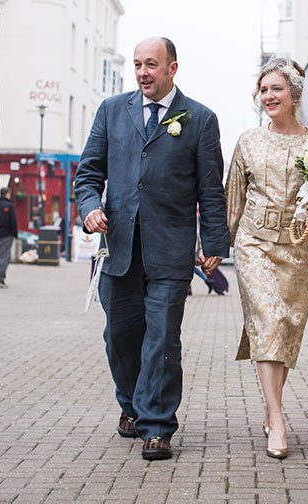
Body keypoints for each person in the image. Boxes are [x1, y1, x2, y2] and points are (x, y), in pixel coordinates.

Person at [75, 36, 229, 461]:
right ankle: (130, 406)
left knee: (161, 340)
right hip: (118, 248)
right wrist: (90, 209)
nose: (143, 72)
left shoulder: (200, 119)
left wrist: (214, 241)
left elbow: (210, 189)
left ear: (172, 69)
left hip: (170, 249)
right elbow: (88, 173)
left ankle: (157, 427)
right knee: (120, 337)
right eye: (139, 64)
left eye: (152, 65)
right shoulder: (111, 110)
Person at [225, 57, 308, 459]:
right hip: (254, 243)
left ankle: (272, 410)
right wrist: (218, 246)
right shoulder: (248, 141)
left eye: (276, 89)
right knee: (268, 319)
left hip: (297, 248)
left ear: (294, 94)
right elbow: (232, 197)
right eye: (263, 89)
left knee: (285, 327)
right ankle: (277, 416)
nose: (268, 95)